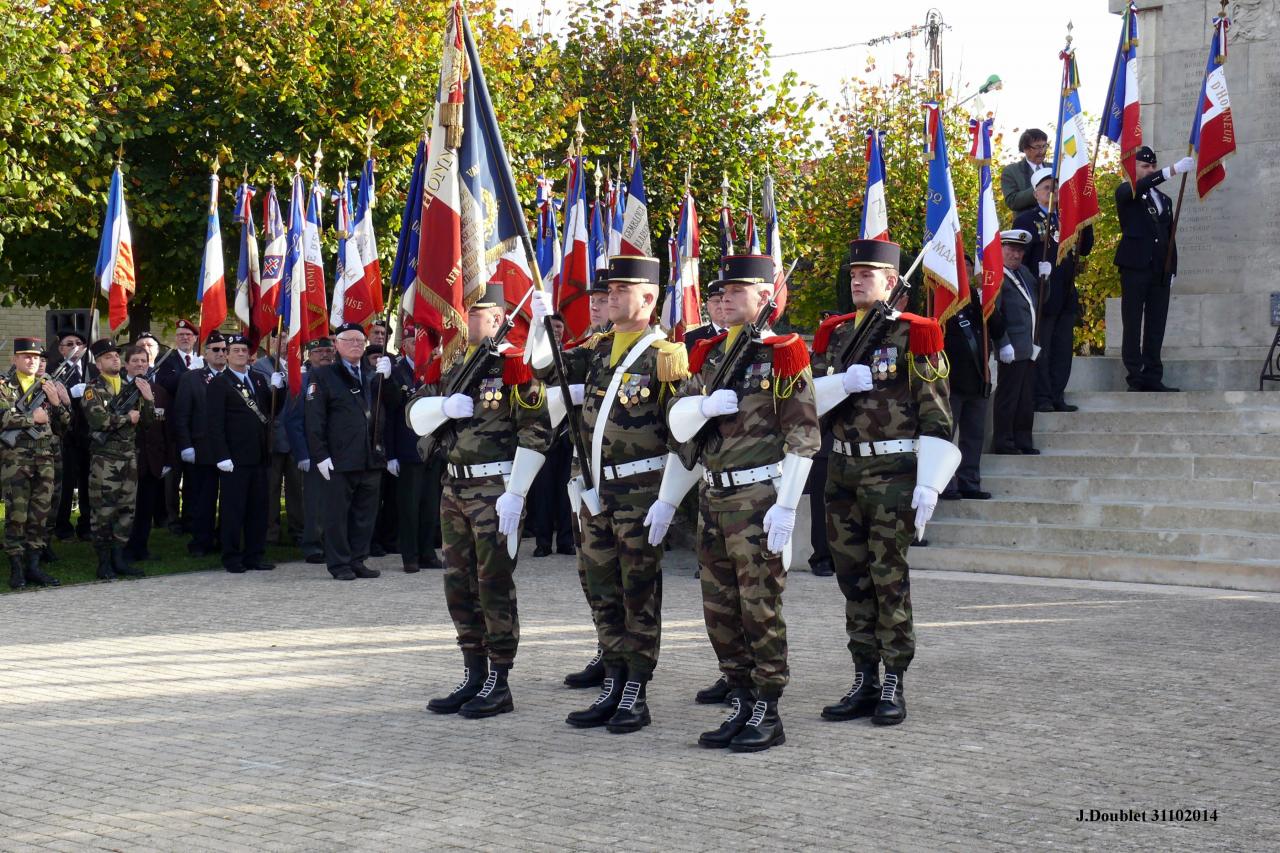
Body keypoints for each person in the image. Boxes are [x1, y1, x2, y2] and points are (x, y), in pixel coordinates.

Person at [531, 255, 695, 734]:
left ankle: (636, 689)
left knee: (637, 592)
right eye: (611, 290)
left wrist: (669, 500)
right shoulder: (599, 349)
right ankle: (614, 674)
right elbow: (546, 370)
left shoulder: (666, 356)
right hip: (595, 493)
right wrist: (544, 327)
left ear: (649, 298)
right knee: (601, 589)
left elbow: (683, 438)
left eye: (624, 290)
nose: (613, 298)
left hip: (640, 492)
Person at [666, 253, 821, 752]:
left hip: (758, 497)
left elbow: (804, 435)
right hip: (714, 495)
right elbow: (681, 428)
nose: (726, 298)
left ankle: (767, 709)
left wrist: (788, 505)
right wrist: (699, 407)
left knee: (760, 607)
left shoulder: (784, 352)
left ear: (763, 297)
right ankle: (738, 697)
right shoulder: (709, 354)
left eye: (738, 290)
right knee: (720, 608)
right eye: (721, 291)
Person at [809, 239, 956, 727]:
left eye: (868, 274)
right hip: (843, 470)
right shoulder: (832, 335)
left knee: (887, 577)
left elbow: (936, 413)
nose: (857, 281)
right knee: (852, 578)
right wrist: (838, 384)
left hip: (891, 472)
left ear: (892, 283)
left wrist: (930, 483)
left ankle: (894, 678)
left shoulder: (918, 334)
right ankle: (864, 676)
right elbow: (809, 407)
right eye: (854, 273)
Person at [407, 285, 552, 719]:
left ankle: (499, 678)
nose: (463, 320)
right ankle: (473, 669)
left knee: (493, 584)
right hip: (455, 486)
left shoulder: (514, 365)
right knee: (458, 582)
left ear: (497, 317)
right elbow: (415, 413)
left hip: (495, 488)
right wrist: (442, 407)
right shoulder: (455, 363)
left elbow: (536, 431)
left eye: (474, 312)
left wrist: (517, 492)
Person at [305, 323, 396, 581]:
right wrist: (320, 455)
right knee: (337, 515)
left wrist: (388, 380)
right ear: (337, 345)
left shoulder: (372, 372)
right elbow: (314, 419)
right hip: (339, 458)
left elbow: (392, 404)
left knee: (365, 515)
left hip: (370, 456)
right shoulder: (323, 375)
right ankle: (339, 563)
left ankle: (358, 559)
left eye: (360, 340)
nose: (356, 344)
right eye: (349, 340)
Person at [1013, 167, 1093, 413]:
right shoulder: (1026, 220)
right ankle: (1042, 397)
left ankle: (1058, 395)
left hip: (1066, 292)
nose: (1052, 192)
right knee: (1043, 349)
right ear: (1036, 193)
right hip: (1042, 294)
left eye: (1055, 187)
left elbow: (1086, 248)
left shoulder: (1068, 217)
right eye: (1047, 188)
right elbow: (1019, 259)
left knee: (1062, 349)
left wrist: (1085, 219)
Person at [1114, 147, 1194, 392]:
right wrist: (1171, 171)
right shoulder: (1127, 191)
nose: (1149, 170)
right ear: (1133, 168)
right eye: (1144, 166)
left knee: (1156, 325)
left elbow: (1170, 237)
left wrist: (1172, 269)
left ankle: (1153, 376)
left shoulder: (1165, 200)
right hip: (1135, 267)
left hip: (1159, 269)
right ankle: (1135, 377)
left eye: (1152, 166)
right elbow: (1139, 187)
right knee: (1133, 322)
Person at [208, 334, 285, 573]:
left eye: (244, 350)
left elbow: (272, 411)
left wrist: (279, 390)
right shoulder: (220, 383)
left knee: (258, 509)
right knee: (234, 510)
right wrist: (222, 455)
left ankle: (254, 555)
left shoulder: (258, 379)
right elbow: (214, 423)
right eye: (236, 350)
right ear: (227, 355)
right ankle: (231, 557)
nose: (241, 353)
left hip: (259, 455)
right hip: (234, 458)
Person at [2, 337, 71, 589]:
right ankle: (17, 568)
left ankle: (34, 565)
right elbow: (2, 417)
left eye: (37, 357)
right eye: (26, 356)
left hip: (45, 460)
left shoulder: (47, 386)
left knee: (40, 515)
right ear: (15, 359)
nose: (32, 361)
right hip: (16, 460)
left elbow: (65, 425)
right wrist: (32, 417)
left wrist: (57, 404)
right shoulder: (4, 386)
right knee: (17, 515)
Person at [81, 339, 152, 581]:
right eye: (109, 356)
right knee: (103, 510)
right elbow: (98, 421)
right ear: (98, 362)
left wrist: (148, 399)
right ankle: (103, 562)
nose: (115, 359)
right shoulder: (93, 389)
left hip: (129, 457)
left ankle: (119, 557)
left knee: (126, 510)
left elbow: (148, 422)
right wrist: (126, 419)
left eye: (117, 355)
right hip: (105, 459)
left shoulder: (129, 387)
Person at [940, 255, 1007, 499]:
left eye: (969, 268)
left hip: (978, 380)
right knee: (947, 437)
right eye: (962, 269)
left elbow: (998, 329)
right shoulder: (944, 303)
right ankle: (945, 483)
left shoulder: (979, 303)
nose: (967, 273)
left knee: (973, 437)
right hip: (951, 380)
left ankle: (969, 481)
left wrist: (986, 302)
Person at [385, 326, 443, 573]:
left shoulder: (435, 370)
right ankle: (410, 556)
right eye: (414, 342)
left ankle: (427, 553)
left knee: (431, 506)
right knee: (409, 507)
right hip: (408, 451)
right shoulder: (397, 373)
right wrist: (390, 454)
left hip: (433, 449)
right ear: (405, 346)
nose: (420, 348)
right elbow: (388, 415)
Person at [173, 331, 227, 557]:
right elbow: (182, 415)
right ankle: (200, 541)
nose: (221, 354)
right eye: (216, 350)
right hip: (202, 448)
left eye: (224, 350)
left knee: (229, 499)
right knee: (202, 499)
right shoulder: (191, 378)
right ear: (205, 353)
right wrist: (186, 445)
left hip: (230, 449)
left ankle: (225, 538)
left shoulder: (235, 376)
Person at [525, 313, 575, 559]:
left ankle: (566, 539)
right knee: (543, 491)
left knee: (567, 488)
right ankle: (542, 541)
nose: (556, 331)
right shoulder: (536, 357)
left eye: (559, 327)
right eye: (552, 327)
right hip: (543, 431)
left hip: (568, 431)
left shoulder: (572, 354)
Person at [991, 230, 1042, 456]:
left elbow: (1040, 304)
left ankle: (1023, 440)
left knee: (1025, 398)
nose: (1016, 255)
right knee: (1008, 397)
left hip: (1029, 346)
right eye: (1011, 249)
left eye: (1020, 250)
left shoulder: (1024, 273)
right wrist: (1002, 343)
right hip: (1011, 346)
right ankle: (1003, 441)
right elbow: (994, 313)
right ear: (1000, 249)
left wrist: (1045, 281)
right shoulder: (996, 277)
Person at [285, 337, 334, 565]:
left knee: (335, 502)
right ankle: (312, 545)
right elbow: (293, 421)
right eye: (319, 351)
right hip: (313, 453)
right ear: (309, 355)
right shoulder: (301, 382)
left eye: (328, 350)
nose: (325, 355)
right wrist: (302, 453)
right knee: (314, 502)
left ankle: (332, 543)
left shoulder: (338, 377)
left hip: (338, 452)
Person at [124, 343, 172, 561]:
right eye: (135, 361)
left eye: (143, 361)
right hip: (125, 460)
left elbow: (166, 428)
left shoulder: (159, 392)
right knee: (125, 508)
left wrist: (167, 459)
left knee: (145, 508)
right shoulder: (118, 390)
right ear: (126, 365)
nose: (140, 365)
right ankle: (122, 549)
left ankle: (141, 548)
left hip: (152, 460)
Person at [252, 343, 303, 545]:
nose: (285, 341)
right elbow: (265, 397)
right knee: (271, 488)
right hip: (274, 435)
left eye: (288, 337)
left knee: (297, 489)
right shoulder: (263, 366)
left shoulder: (301, 364)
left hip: (296, 436)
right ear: (272, 342)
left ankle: (299, 530)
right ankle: (270, 532)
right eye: (279, 337)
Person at [156, 319, 202, 534]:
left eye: (189, 335)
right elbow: (166, 384)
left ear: (195, 338)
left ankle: (191, 518)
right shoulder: (167, 359)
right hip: (174, 427)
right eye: (181, 334)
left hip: (196, 428)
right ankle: (173, 520)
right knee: (173, 479)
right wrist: (191, 374)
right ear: (176, 338)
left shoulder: (201, 360)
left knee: (194, 479)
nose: (185, 338)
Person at [52, 328, 95, 541]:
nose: (75, 347)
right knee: (66, 484)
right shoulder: (55, 371)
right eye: (69, 344)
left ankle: (86, 526)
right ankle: (62, 526)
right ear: (61, 349)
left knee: (89, 482)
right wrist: (69, 395)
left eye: (79, 343)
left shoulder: (93, 370)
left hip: (90, 435)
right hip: (67, 436)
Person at [1000, 128, 1049, 214]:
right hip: (1027, 225)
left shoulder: (1054, 168)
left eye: (1044, 146)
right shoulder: (1011, 171)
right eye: (1037, 147)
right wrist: (1040, 189)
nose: (1042, 151)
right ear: (1025, 149)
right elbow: (1012, 201)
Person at [682, 280, 729, 350]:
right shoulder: (692, 337)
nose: (721, 306)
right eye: (716, 301)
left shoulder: (744, 333)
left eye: (726, 301)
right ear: (708, 306)